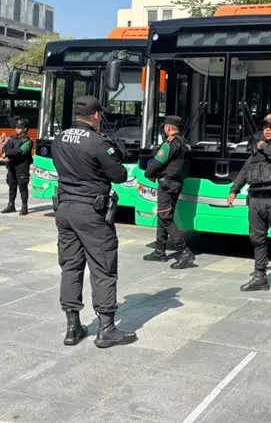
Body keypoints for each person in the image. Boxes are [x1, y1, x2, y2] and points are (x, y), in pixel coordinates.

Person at [51, 95, 137, 348]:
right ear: (97, 115)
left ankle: (72, 327)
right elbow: (119, 175)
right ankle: (107, 328)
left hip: (64, 208)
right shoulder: (98, 143)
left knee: (70, 266)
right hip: (91, 211)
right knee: (103, 266)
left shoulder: (59, 138)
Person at [228, 113, 271, 301]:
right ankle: (260, 277)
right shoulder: (257, 149)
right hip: (256, 200)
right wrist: (234, 190)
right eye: (265, 126)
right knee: (257, 239)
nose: (267, 129)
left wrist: (264, 146)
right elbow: (245, 170)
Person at [142, 115, 196, 269]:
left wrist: (148, 173)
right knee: (163, 214)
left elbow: (159, 162)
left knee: (166, 217)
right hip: (176, 182)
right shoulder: (184, 142)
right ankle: (160, 250)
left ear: (168, 128)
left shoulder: (170, 143)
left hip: (167, 183)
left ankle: (185, 252)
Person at [0, 118, 33, 216]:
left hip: (22, 165)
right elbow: (4, 148)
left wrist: (6, 153)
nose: (17, 129)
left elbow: (20, 152)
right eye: (16, 127)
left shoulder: (28, 141)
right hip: (11, 165)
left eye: (19, 128)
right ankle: (11, 205)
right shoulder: (11, 138)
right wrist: (5, 155)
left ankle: (24, 207)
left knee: (22, 186)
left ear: (25, 129)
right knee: (12, 185)